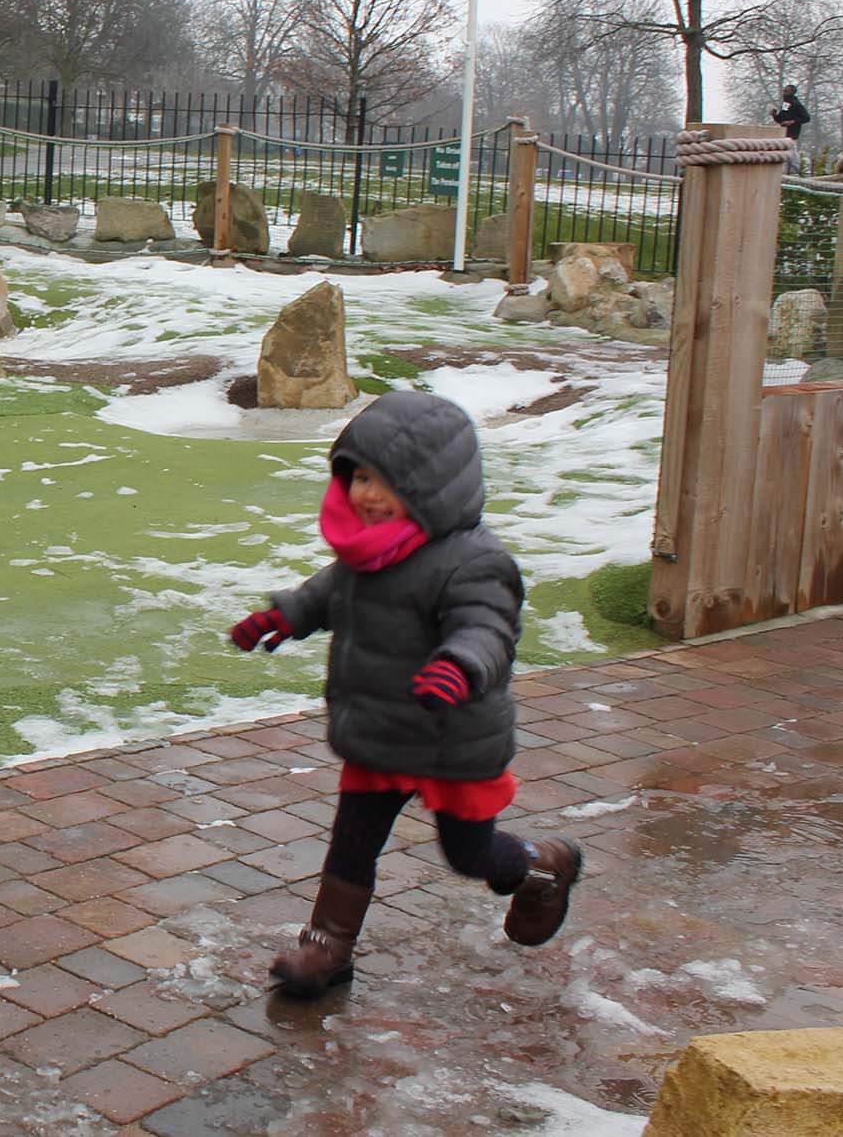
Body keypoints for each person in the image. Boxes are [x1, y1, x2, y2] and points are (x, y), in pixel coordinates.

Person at [227, 391, 582, 999]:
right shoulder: (367, 554)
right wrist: (283, 617)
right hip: (380, 732)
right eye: (358, 476)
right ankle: (327, 947)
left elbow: (488, 629)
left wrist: (460, 665)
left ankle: (541, 866)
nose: (365, 493)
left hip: (450, 734)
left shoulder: (474, 562)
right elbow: (326, 593)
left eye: (383, 481)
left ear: (432, 484)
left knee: (469, 856)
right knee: (352, 841)